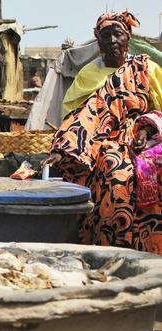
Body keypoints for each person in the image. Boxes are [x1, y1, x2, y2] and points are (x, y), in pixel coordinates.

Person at [42, 11, 162, 254]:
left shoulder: (145, 68)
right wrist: (64, 147)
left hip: (147, 137)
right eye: (105, 36)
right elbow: (81, 116)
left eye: (117, 35)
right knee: (114, 169)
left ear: (128, 38)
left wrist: (146, 130)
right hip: (99, 141)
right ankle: (111, 247)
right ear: (98, 40)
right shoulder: (88, 74)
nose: (112, 41)